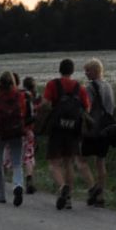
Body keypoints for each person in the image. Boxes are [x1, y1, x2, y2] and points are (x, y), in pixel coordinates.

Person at [41, 58, 90, 210]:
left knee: (54, 163)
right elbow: (87, 108)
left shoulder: (52, 84)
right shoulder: (79, 87)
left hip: (57, 129)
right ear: (72, 71)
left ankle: (62, 187)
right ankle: (68, 199)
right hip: (73, 129)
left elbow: (45, 103)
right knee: (69, 162)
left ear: (60, 69)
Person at [80, 58, 116, 207]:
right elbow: (112, 106)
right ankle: (101, 196)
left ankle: (93, 188)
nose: (86, 73)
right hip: (106, 129)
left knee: (81, 159)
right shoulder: (108, 86)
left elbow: (86, 107)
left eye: (88, 70)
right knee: (100, 162)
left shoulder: (90, 87)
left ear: (95, 71)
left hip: (93, 129)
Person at [0, 73, 29, 206]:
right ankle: (18, 185)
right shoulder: (20, 96)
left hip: (1, 133)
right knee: (17, 162)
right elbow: (24, 113)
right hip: (17, 131)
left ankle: (1, 195)